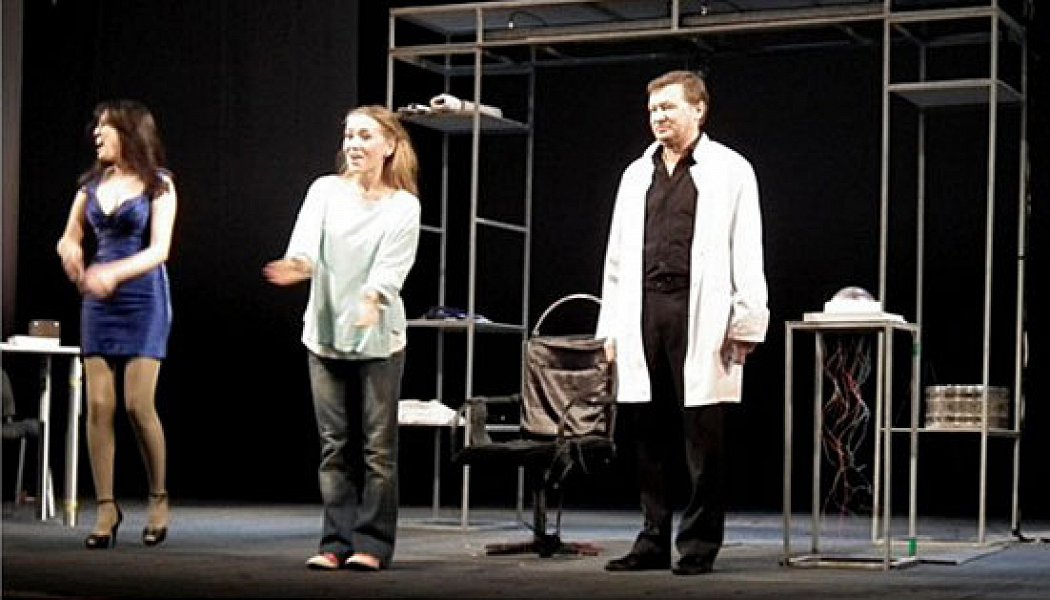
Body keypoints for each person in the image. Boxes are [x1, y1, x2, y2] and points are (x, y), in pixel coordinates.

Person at [596, 70, 769, 575]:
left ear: (699, 109)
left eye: (668, 107)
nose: (658, 117)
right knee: (646, 430)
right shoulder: (636, 174)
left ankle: (697, 543)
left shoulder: (730, 169)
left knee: (702, 434)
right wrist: (610, 328)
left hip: (701, 311)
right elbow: (615, 258)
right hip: (643, 307)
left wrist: (746, 320)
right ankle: (652, 539)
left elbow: (747, 247)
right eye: (653, 109)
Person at [264, 105, 421, 572]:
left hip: (379, 340)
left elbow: (391, 267)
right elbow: (305, 246)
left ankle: (373, 544)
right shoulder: (325, 191)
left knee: (378, 450)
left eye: (365, 136)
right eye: (349, 135)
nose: (353, 144)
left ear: (389, 145)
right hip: (326, 334)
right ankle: (335, 542)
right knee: (334, 447)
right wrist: (297, 265)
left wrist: (372, 298)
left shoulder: (403, 206)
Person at [56, 99, 178, 549]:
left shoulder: (158, 183)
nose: (96, 134)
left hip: (144, 297)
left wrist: (113, 273)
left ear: (129, 133)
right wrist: (71, 253)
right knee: (98, 405)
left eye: (105, 127)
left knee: (137, 405)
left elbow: (160, 250)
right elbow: (69, 236)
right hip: (99, 303)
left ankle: (158, 498)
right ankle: (106, 508)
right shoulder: (90, 186)